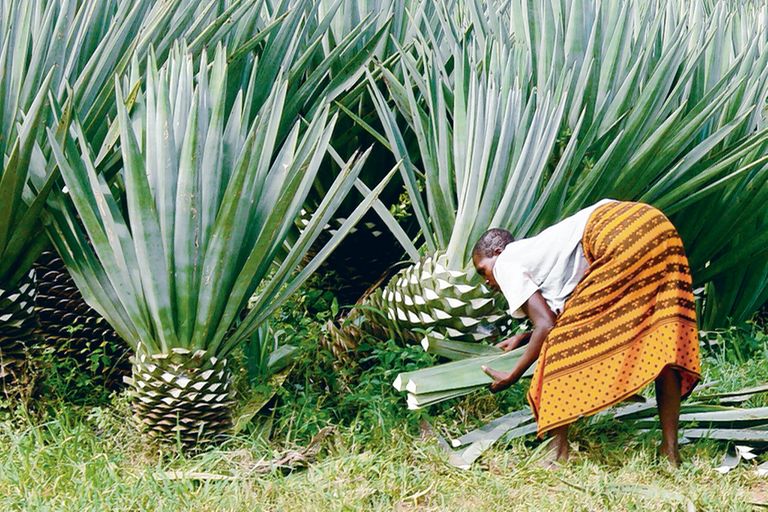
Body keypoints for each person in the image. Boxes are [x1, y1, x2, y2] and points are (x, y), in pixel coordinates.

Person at [472, 200, 701, 466]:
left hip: (617, 232)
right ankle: (670, 451)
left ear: (498, 251)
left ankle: (558, 452)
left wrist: (513, 374)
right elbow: (562, 317)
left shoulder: (506, 261)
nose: (488, 281)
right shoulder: (543, 254)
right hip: (656, 225)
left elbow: (547, 327)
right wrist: (524, 337)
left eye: (483, 271)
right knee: (661, 336)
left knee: (559, 348)